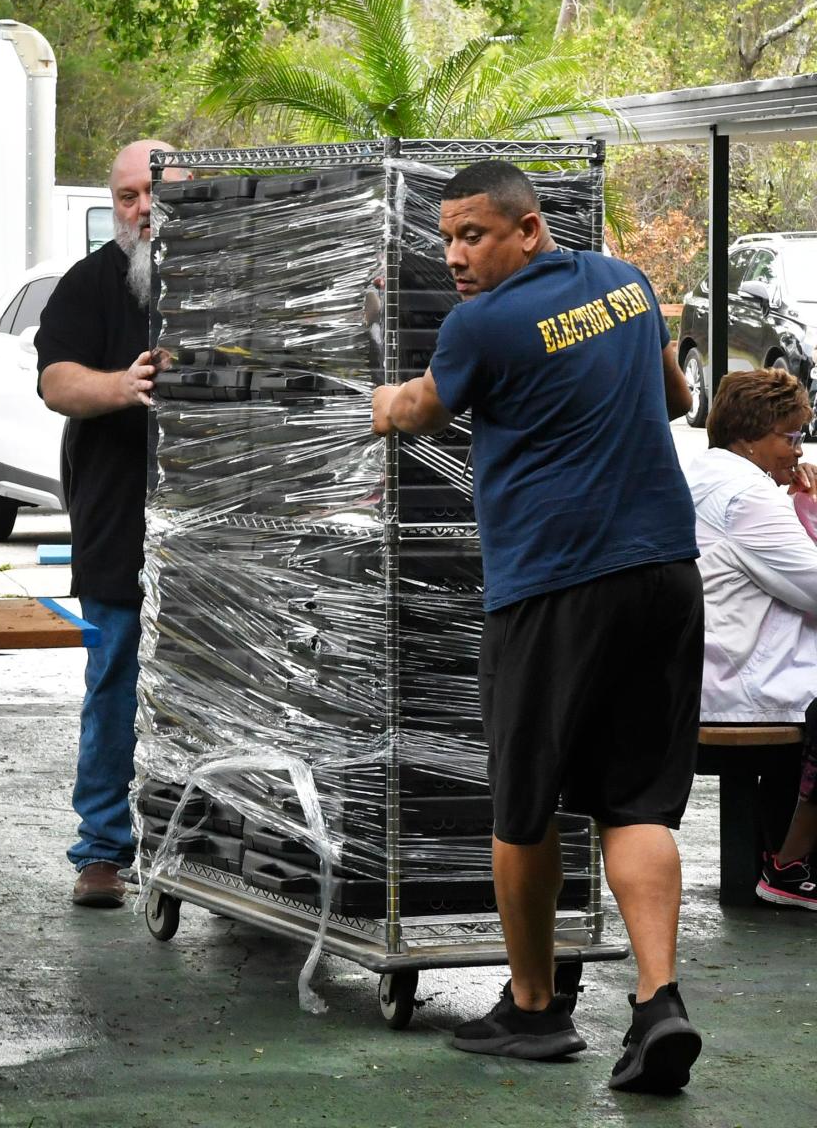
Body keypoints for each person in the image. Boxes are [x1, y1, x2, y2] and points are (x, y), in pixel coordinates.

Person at [372, 160, 704, 1094]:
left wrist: (378, 403)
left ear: (529, 229)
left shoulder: (482, 324)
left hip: (557, 586)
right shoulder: (629, 284)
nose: (455, 257)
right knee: (634, 804)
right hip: (664, 575)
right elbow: (677, 399)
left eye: (473, 235)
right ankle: (657, 1002)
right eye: (446, 238)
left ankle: (533, 1007)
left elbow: (422, 408)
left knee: (521, 806)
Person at [35, 139, 187, 909]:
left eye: (155, 193)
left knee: (214, 690)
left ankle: (216, 842)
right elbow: (56, 381)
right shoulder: (90, 283)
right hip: (116, 527)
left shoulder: (229, 276)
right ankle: (102, 850)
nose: (142, 209)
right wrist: (122, 385)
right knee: (115, 683)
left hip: (218, 540)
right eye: (128, 196)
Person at [685, 368, 817, 908]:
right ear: (747, 437)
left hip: (712, 667)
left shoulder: (707, 475)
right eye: (789, 437)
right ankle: (790, 864)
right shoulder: (749, 499)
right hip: (745, 685)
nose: (799, 448)